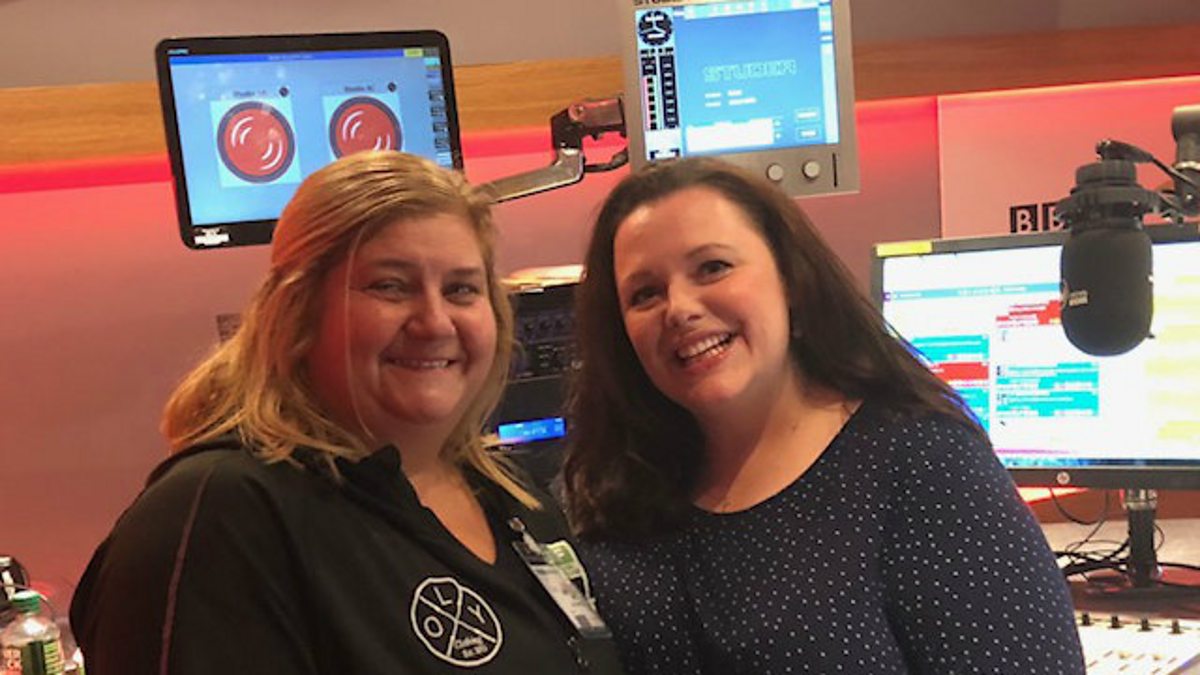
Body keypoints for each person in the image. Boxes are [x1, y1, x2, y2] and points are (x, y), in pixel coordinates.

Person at [70, 151, 625, 675]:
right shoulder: (221, 513)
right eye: (390, 286)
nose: (435, 322)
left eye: (461, 289)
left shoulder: (508, 495)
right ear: (297, 310)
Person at [562, 157, 1085, 674]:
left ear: (790, 279)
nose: (679, 308)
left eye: (712, 267)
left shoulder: (923, 464)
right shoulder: (609, 487)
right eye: (645, 294)